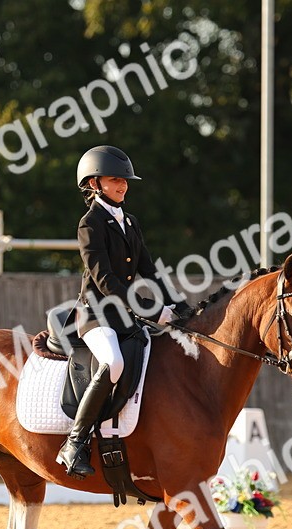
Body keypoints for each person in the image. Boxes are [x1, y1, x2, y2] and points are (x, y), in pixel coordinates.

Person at [57, 145, 191, 478]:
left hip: (125, 318)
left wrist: (178, 304)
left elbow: (149, 270)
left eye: (126, 180)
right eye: (116, 180)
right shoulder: (90, 224)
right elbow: (105, 281)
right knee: (113, 362)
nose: (123, 186)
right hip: (97, 316)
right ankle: (74, 442)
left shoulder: (129, 221)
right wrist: (152, 309)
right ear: (94, 183)